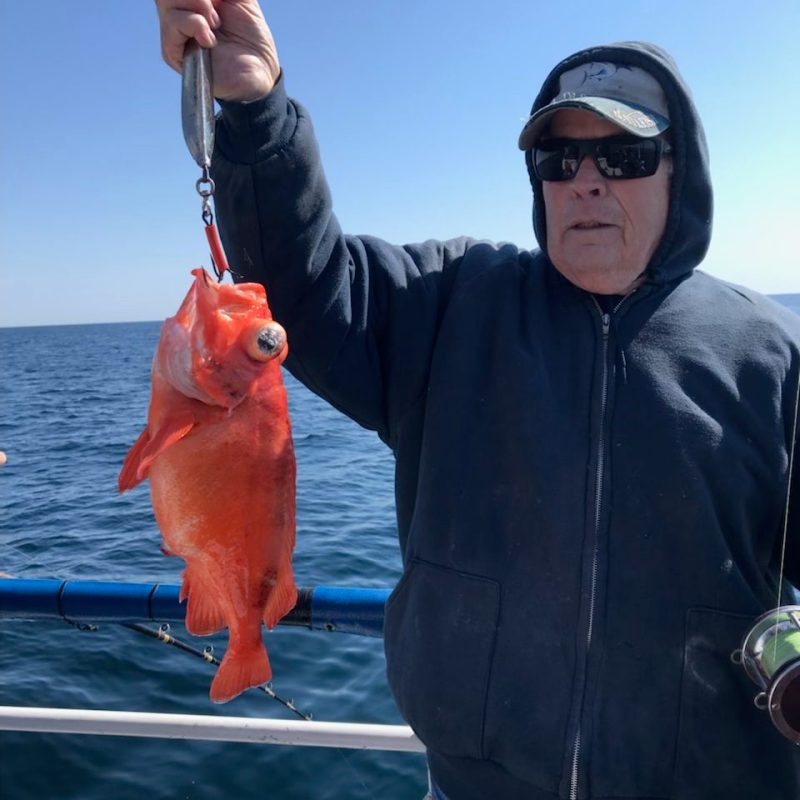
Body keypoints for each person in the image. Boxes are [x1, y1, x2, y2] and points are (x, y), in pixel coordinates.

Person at [156, 3, 800, 797]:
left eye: (625, 155)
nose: (586, 179)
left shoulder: (773, 353)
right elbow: (305, 284)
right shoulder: (451, 303)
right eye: (560, 158)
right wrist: (255, 107)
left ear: (681, 170)